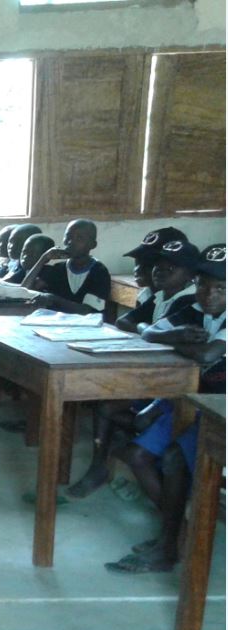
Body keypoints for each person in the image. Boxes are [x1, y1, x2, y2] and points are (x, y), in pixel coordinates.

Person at [106, 243, 226, 573]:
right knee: (136, 455)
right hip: (190, 400)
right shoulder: (195, 311)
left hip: (217, 410)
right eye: (203, 285)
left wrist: (175, 339)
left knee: (173, 457)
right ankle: (177, 532)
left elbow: (207, 354)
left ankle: (170, 543)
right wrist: (177, 335)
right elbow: (147, 331)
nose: (209, 294)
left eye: (220, 288)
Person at [66, 237, 200, 498]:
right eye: (158, 265)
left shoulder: (189, 302)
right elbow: (126, 322)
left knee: (112, 406)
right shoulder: (160, 296)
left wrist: (149, 331)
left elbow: (153, 333)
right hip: (153, 375)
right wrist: (147, 330)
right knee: (105, 405)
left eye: (171, 268)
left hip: (174, 385)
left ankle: (124, 457)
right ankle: (100, 466)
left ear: (190, 276)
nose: (160, 271)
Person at [22, 219, 110, 315]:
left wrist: (54, 299)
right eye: (68, 236)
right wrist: (43, 259)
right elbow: (24, 292)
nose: (70, 242)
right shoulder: (58, 269)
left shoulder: (99, 272)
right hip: (56, 322)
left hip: (87, 323)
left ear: (92, 244)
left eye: (79, 238)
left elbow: (87, 311)